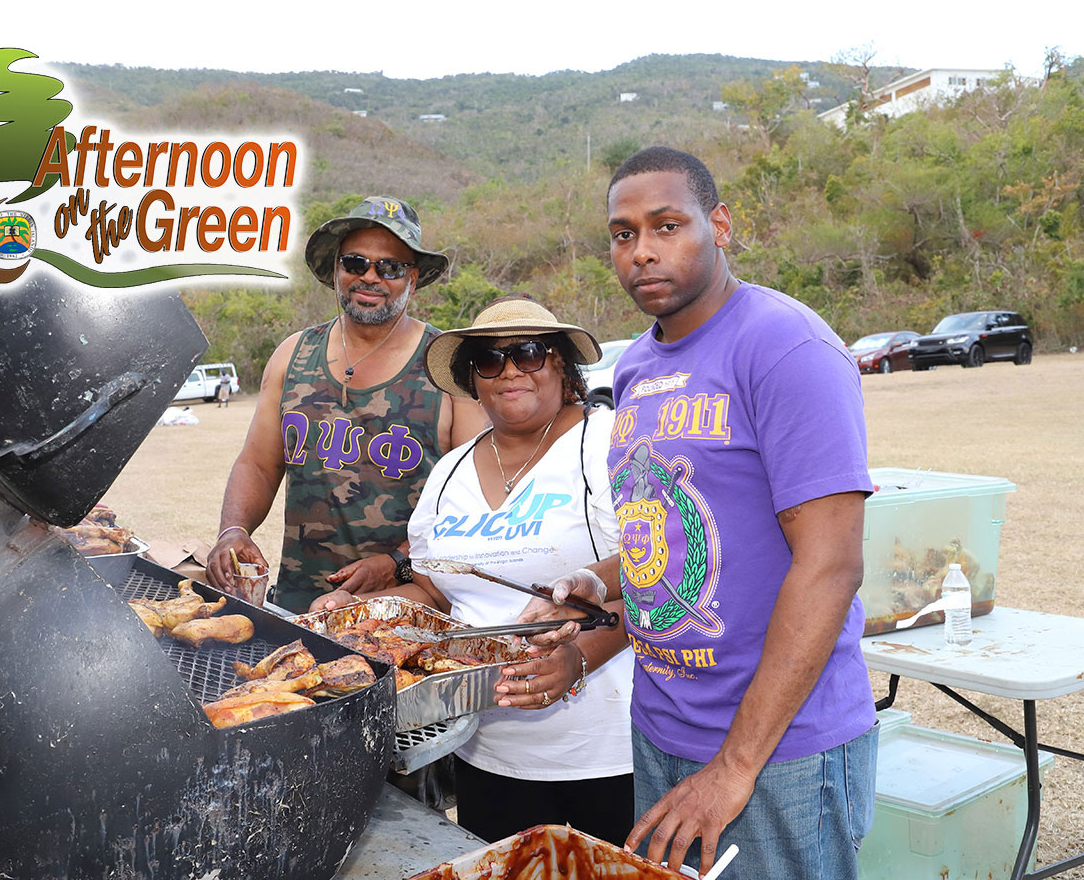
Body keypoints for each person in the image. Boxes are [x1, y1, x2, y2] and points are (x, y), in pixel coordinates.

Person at [525, 147, 878, 878]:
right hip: (661, 729)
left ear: (719, 225)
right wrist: (603, 579)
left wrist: (734, 768)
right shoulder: (637, 368)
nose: (643, 252)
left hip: (776, 747)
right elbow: (686, 530)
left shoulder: (786, 347)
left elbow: (831, 565)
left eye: (667, 225)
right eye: (624, 234)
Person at [312, 296, 636, 846]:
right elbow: (435, 593)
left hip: (604, 754)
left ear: (560, 364)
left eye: (529, 354)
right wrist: (357, 613)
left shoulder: (608, 443)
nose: (509, 371)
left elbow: (661, 579)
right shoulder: (449, 475)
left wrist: (578, 660)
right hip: (485, 752)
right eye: (489, 360)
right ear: (472, 379)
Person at [207, 196, 485, 612]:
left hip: (403, 617)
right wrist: (232, 530)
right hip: (300, 607)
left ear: (413, 277)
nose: (369, 277)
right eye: (355, 263)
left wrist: (398, 564)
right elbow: (258, 464)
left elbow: (475, 502)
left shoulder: (448, 367)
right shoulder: (293, 355)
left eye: (389, 267)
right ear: (337, 269)